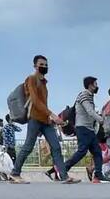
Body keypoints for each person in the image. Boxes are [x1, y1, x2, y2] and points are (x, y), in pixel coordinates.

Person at [10, 55, 80, 184]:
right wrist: (52, 114)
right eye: (41, 64)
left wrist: (50, 117)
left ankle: (64, 176)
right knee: (28, 147)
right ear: (35, 66)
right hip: (35, 118)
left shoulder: (44, 83)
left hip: (46, 121)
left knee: (56, 147)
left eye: (46, 65)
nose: (44, 67)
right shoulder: (31, 79)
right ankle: (15, 173)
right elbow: (35, 101)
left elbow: (43, 103)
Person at [63, 76, 110, 183]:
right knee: (82, 151)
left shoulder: (90, 96)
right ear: (90, 85)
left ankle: (98, 174)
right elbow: (90, 111)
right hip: (82, 128)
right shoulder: (84, 95)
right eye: (95, 84)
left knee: (97, 152)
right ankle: (64, 168)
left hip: (89, 129)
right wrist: (101, 120)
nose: (97, 86)